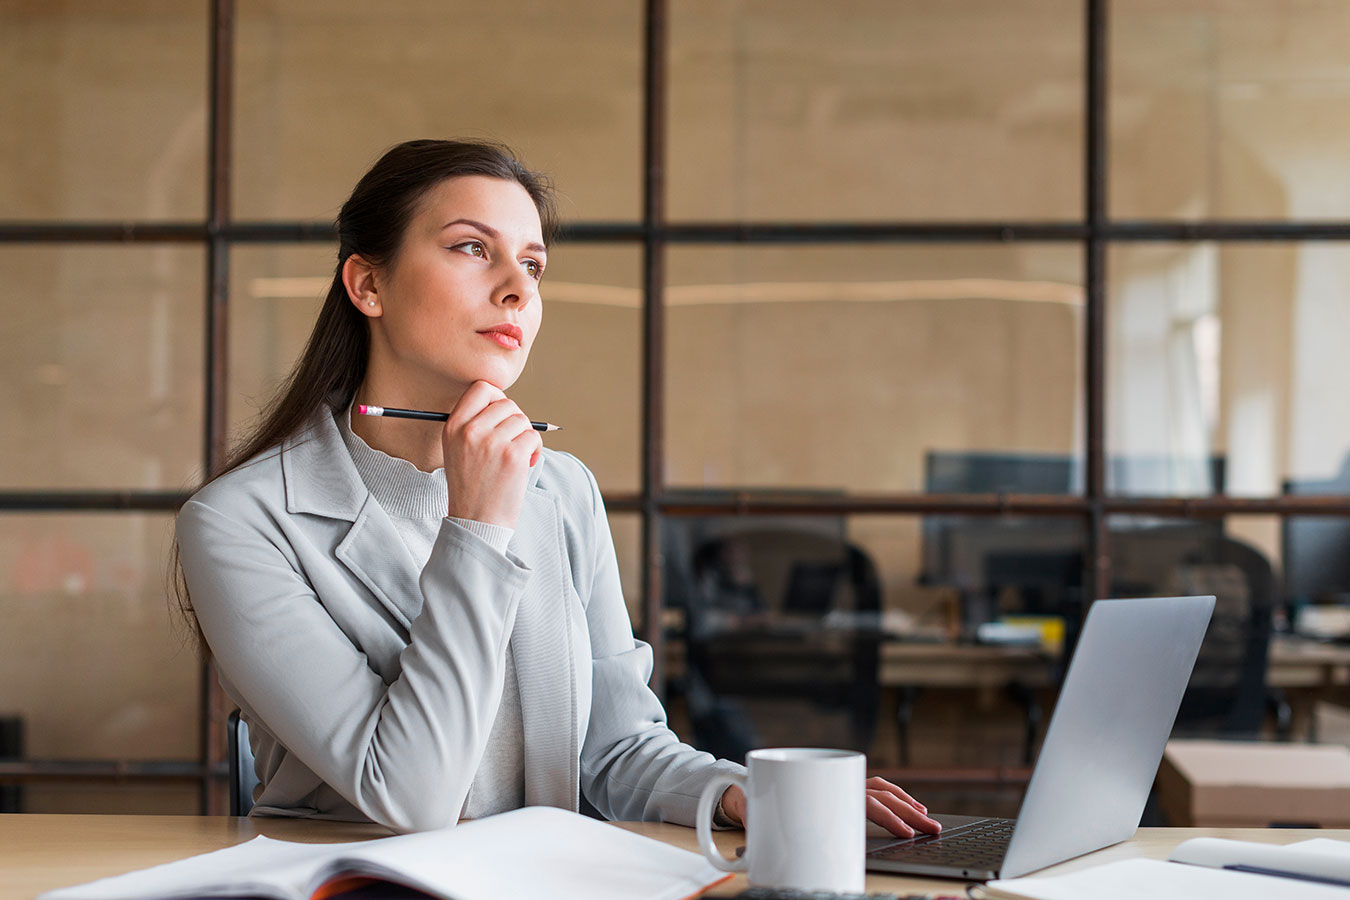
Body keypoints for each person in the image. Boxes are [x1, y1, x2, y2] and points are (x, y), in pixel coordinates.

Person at [173, 138, 941, 837]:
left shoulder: (562, 490)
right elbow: (408, 796)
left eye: (533, 265)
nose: (518, 289)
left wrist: (742, 793)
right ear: (368, 284)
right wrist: (476, 530)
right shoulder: (240, 522)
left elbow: (616, 749)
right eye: (474, 248)